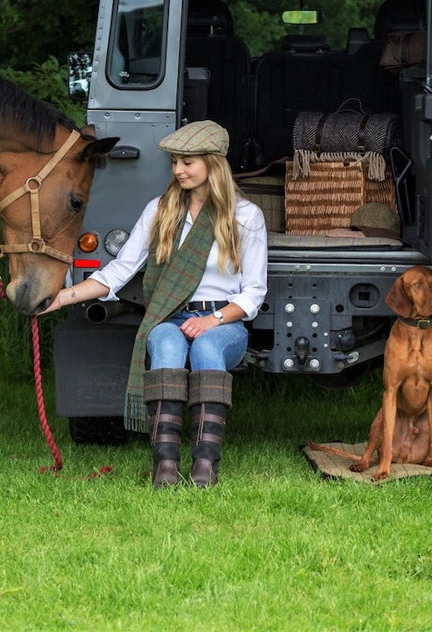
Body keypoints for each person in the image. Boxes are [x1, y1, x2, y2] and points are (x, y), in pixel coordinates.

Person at [43, 120, 268, 488]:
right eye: (175, 163)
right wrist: (59, 298)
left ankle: (204, 464)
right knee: (164, 343)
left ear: (213, 163)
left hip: (224, 322)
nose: (178, 170)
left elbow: (253, 293)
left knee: (208, 348)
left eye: (188, 162)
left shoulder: (245, 217)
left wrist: (213, 320)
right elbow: (117, 272)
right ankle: (164, 465)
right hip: (169, 316)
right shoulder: (160, 210)